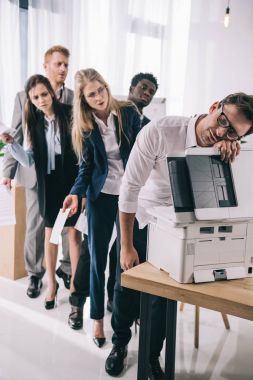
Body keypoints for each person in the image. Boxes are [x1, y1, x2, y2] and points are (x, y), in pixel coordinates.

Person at [105, 92, 253, 379]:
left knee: (164, 298)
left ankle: (150, 356)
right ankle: (119, 344)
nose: (222, 131)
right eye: (222, 120)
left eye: (233, 132)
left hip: (177, 229)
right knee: (126, 289)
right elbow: (129, 190)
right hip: (140, 216)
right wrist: (125, 245)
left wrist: (227, 156)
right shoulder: (160, 132)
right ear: (213, 106)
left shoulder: (225, 147)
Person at [63, 68, 141, 347]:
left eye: (101, 89)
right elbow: (86, 170)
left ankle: (125, 317)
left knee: (127, 260)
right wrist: (75, 194)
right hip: (101, 197)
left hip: (130, 197)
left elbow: (153, 140)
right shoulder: (85, 127)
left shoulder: (130, 113)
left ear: (107, 87)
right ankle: (96, 320)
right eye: (91, 94)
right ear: (83, 100)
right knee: (96, 262)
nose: (99, 97)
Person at [0, 74, 81, 310]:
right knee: (50, 235)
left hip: (71, 179)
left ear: (52, 93)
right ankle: (52, 286)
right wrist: (11, 144)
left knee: (74, 235)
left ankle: (75, 289)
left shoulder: (69, 112)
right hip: (48, 182)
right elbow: (29, 159)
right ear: (31, 100)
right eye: (35, 97)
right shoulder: (33, 121)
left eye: (44, 94)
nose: (41, 100)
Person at [106, 72, 159, 313]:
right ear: (131, 87)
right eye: (144, 88)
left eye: (151, 92)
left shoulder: (148, 125)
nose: (147, 94)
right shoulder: (112, 111)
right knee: (100, 249)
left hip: (133, 194)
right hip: (106, 190)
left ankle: (123, 301)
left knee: (122, 244)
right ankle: (106, 297)